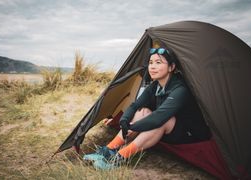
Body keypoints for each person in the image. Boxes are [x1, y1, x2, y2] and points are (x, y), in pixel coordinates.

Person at [83, 47, 211, 170]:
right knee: (143, 111)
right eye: (150, 62)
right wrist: (124, 120)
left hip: (189, 135)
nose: (152, 66)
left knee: (163, 119)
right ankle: (108, 151)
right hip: (169, 131)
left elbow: (159, 117)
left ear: (171, 67)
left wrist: (132, 126)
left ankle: (119, 158)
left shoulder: (180, 89)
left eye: (158, 62)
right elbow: (135, 105)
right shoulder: (155, 85)